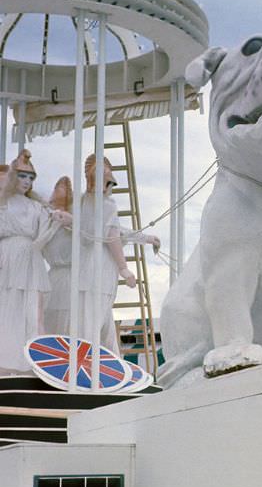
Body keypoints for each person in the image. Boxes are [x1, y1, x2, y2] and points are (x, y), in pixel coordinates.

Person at [42, 176, 159, 339]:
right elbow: (111, 231)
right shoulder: (46, 221)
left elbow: (112, 231)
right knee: (60, 328)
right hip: (60, 282)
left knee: (87, 328)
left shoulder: (81, 222)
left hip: (78, 279)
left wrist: (144, 238)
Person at [0, 151, 62, 374]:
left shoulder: (37, 207)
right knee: (6, 309)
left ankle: (34, 363)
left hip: (30, 257)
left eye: (30, 177)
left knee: (34, 313)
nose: (26, 181)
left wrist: (56, 223)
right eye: (22, 176)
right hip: (7, 256)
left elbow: (42, 239)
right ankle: (5, 362)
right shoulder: (3, 203)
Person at [74, 155, 140, 354]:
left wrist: (145, 238)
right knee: (96, 323)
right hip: (101, 267)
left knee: (96, 321)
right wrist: (124, 269)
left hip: (86, 266)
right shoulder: (107, 204)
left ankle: (107, 358)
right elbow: (113, 236)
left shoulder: (83, 202)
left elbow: (116, 232)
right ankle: (90, 361)